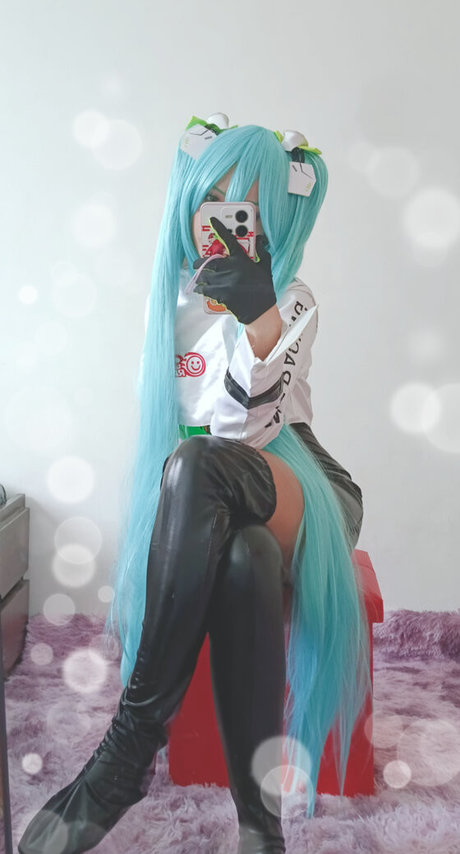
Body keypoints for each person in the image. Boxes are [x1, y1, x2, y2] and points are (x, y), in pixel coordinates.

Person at [18, 114, 371, 854]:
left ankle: (126, 750)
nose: (224, 223)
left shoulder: (293, 300)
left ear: (273, 221)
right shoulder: (172, 304)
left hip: (301, 483)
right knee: (243, 557)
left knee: (200, 464)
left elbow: (241, 437)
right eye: (213, 200)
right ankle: (260, 828)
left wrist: (257, 320)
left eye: (246, 209)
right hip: (218, 494)